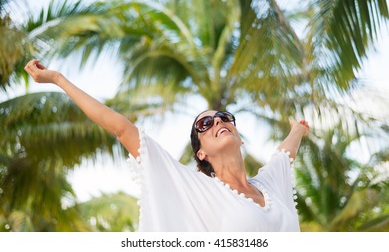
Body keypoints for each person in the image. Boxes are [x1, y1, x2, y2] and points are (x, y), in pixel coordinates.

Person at [24, 59, 310, 232]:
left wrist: (297, 129)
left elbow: (285, 153)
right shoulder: (198, 188)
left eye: (224, 117)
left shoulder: (270, 185)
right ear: (201, 152)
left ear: (239, 135)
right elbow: (122, 129)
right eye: (205, 124)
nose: (217, 122)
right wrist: (59, 80)